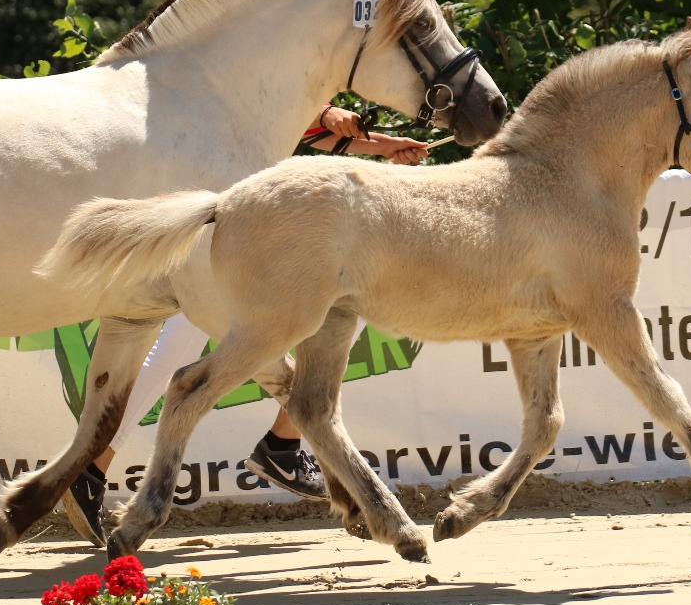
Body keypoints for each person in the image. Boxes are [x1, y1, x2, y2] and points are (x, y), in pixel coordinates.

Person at [60, 103, 428, 545]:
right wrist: (328, 113)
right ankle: (281, 449)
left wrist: (382, 145)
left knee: (184, 346)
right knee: (321, 326)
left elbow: (299, 126)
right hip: (240, 218)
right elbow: (289, 110)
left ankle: (94, 466)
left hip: (230, 208)